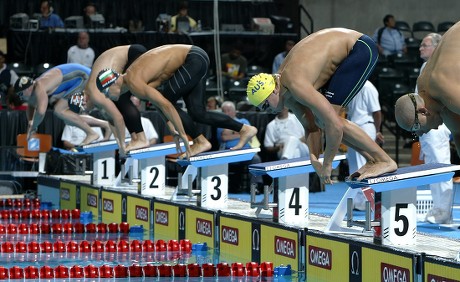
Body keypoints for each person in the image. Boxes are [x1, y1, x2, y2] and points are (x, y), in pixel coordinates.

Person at [246, 27, 397, 184]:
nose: (266, 110)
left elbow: (335, 126)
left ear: (274, 90)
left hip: (359, 48)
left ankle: (383, 160)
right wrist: (313, 159)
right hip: (347, 52)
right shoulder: (286, 92)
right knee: (323, 119)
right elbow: (311, 127)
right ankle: (373, 160)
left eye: (265, 105)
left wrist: (327, 163)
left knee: (331, 119)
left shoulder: (295, 83)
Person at [96, 44, 258, 159]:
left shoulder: (134, 82)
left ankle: (199, 141)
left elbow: (166, 104)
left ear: (114, 83)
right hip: (195, 59)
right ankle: (244, 129)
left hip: (192, 59)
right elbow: (160, 105)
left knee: (169, 100)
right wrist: (172, 128)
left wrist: (183, 135)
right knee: (197, 113)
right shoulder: (134, 82)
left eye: (106, 91)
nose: (106, 96)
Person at [411, 33, 453, 224]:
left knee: (440, 165)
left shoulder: (440, 68)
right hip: (426, 123)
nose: (420, 48)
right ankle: (438, 207)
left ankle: (444, 211)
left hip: (437, 121)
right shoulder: (424, 67)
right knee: (433, 165)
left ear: (437, 47)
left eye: (425, 45)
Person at [13, 63, 107, 145]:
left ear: (28, 89)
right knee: (68, 119)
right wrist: (30, 123)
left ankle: (91, 133)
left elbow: (41, 112)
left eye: (20, 94)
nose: (20, 97)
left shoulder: (39, 87)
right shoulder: (33, 88)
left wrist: (33, 127)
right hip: (79, 77)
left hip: (83, 76)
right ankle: (105, 125)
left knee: (59, 110)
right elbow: (31, 105)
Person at [83, 44, 150, 156]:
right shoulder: (92, 91)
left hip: (132, 54)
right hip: (133, 53)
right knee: (119, 100)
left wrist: (122, 145)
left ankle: (141, 138)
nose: (88, 110)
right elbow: (111, 119)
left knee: (121, 99)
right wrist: (119, 142)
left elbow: (118, 118)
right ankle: (135, 138)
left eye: (86, 109)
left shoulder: (94, 94)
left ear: (85, 99)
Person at [346, 80, 384, 210]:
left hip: (365, 126)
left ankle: (367, 200)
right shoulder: (352, 84)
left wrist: (377, 130)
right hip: (353, 126)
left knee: (363, 165)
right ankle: (357, 199)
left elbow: (377, 112)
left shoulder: (368, 87)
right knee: (354, 165)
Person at [217, 101, 264, 193]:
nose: (226, 113)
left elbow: (250, 135)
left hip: (245, 151)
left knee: (256, 159)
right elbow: (224, 137)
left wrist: (231, 133)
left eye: (229, 110)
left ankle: (255, 187)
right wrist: (241, 133)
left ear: (235, 112)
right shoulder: (220, 123)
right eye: (224, 111)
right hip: (228, 152)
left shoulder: (243, 121)